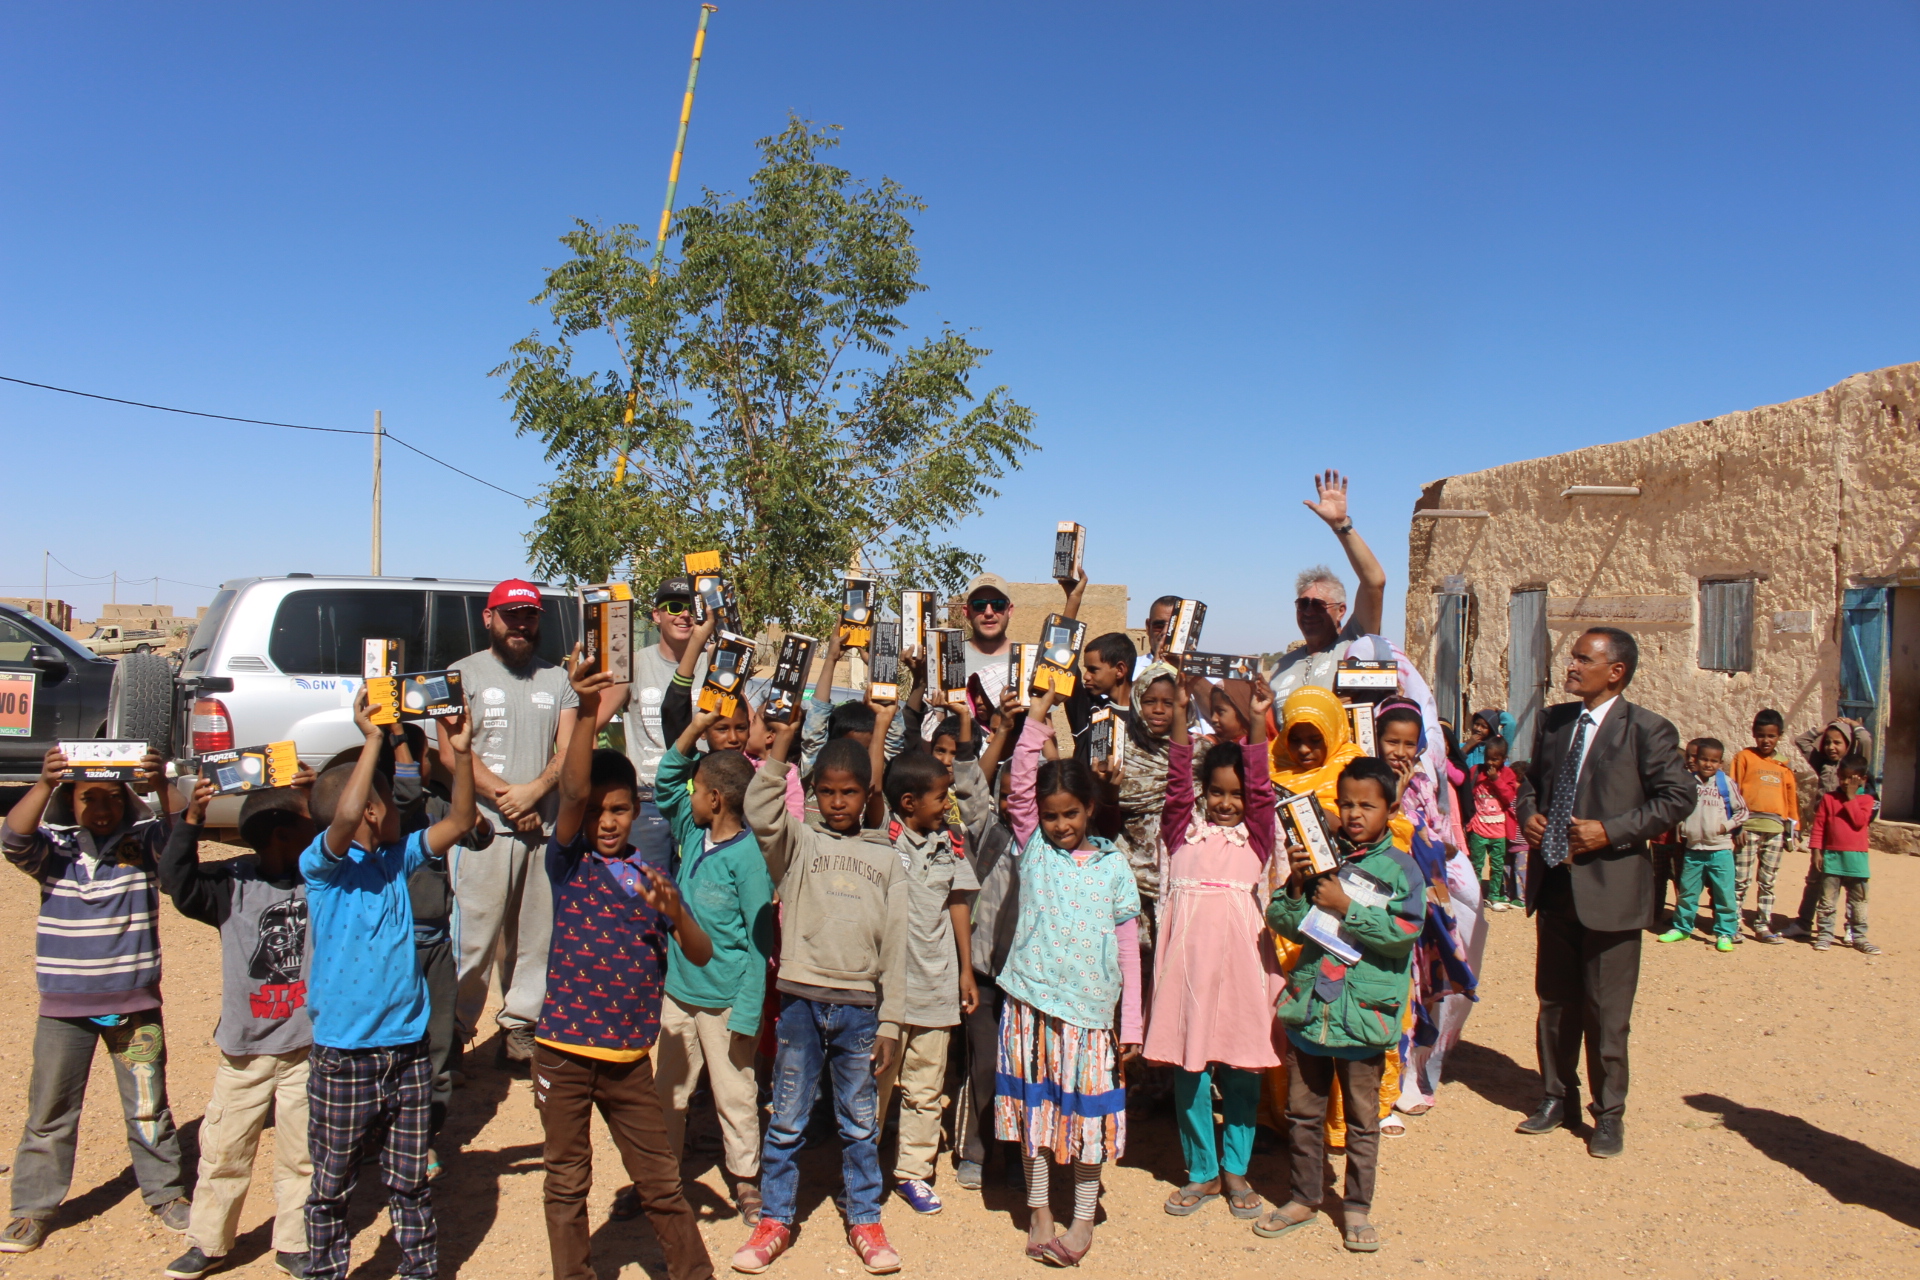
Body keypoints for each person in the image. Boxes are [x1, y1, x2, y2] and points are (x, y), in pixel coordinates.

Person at [534, 651, 716, 1280]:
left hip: (628, 1060)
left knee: (661, 1184)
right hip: (560, 1049)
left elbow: (699, 952)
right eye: (596, 812)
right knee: (567, 1183)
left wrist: (679, 913)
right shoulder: (569, 864)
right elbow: (575, 787)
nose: (605, 821)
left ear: (636, 814)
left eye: (618, 810)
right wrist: (587, 710)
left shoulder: (652, 879)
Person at [301, 687, 478, 1280]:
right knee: (331, 1183)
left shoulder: (397, 859)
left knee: (410, 1181)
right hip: (344, 1056)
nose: (403, 809)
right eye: (389, 803)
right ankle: (327, 1268)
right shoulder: (321, 869)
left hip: (404, 1051)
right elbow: (346, 818)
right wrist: (375, 736)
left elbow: (459, 820)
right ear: (375, 811)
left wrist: (462, 751)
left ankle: (420, 1268)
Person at [732, 718, 908, 1276]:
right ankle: (776, 1218)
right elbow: (760, 811)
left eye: (848, 792)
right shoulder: (798, 844)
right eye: (826, 791)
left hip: (861, 1010)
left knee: (859, 1121)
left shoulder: (886, 859)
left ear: (867, 794)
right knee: (786, 1117)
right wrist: (781, 746)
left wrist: (892, 1023)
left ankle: (864, 1219)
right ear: (813, 792)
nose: (837, 802)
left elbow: (897, 950)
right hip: (801, 1003)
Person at [0, 746, 191, 1255]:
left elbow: (182, 838)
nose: (101, 807)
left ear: (127, 801)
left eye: (112, 796)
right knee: (50, 1110)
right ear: (70, 802)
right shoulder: (53, 851)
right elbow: (14, 837)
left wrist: (157, 789)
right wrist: (43, 782)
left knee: (148, 1105)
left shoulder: (143, 843)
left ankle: (166, 1193)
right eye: (88, 798)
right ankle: (32, 1207)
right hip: (64, 1008)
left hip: (134, 1007)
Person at [1514, 627, 1694, 1159]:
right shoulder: (1553, 722)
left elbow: (1677, 796)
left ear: (1614, 671)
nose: (1570, 666)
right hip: (1556, 885)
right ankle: (1555, 1097)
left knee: (1606, 1010)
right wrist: (1528, 815)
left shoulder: (1648, 730)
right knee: (1555, 1003)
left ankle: (1608, 1113)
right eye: (1572, 657)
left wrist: (1610, 831)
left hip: (1612, 891)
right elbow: (1531, 784)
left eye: (1581, 658)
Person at [996, 690, 1142, 1268]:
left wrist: (1130, 1020)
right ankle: (1039, 1210)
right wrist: (1036, 718)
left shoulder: (1113, 866)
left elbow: (1129, 951)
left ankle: (1082, 1218)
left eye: (1070, 813)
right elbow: (1023, 780)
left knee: (1087, 1122)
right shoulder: (1032, 848)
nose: (1059, 824)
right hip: (1029, 1005)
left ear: (1089, 810)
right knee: (1035, 1114)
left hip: (1089, 1017)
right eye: (1050, 815)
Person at [1260, 757, 1424, 1253]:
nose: (1354, 814)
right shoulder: (1322, 858)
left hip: (1362, 1017)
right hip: (1312, 1011)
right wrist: (1295, 886)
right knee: (1303, 1113)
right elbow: (1285, 923)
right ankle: (1304, 1197)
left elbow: (1404, 932)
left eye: (1366, 805)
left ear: (1389, 809)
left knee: (1361, 1120)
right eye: (1346, 803)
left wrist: (1346, 907)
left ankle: (1356, 1208)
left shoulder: (1401, 869)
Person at [159, 772, 318, 1280]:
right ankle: (209, 1242)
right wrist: (190, 820)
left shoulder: (318, 876)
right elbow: (176, 881)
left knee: (303, 1152)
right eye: (303, 827)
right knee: (225, 1149)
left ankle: (293, 1241)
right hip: (245, 1049)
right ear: (279, 836)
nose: (314, 835)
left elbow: (347, 836)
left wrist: (312, 797)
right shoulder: (231, 883)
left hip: (304, 1046)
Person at [1147, 678, 1281, 1221]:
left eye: (1236, 794)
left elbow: (1264, 789)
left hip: (1244, 968)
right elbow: (1178, 782)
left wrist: (1257, 723)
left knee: (1245, 1068)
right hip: (1188, 974)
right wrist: (1180, 715)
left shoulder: (1257, 838)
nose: (1227, 803)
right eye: (1217, 793)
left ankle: (1236, 1168)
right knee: (1190, 1071)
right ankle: (1201, 1170)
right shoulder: (1183, 833)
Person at [444, 578, 581, 1070]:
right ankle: (453, 1033)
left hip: (542, 829)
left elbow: (567, 749)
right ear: (489, 618)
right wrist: (506, 798)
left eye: (529, 616)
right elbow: (449, 751)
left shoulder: (558, 680)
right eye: (511, 615)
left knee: (535, 936)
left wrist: (534, 792)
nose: (520, 625)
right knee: (473, 937)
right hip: (481, 831)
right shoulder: (462, 674)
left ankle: (521, 1024)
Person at [651, 702, 775, 1227]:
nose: (689, 797)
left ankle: (745, 1180)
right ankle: (658, 1177)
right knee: (668, 1094)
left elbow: (759, 942)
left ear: (716, 799)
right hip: (679, 991)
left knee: (735, 1096)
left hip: (726, 1002)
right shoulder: (689, 827)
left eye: (698, 791)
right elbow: (665, 780)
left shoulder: (749, 859)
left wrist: (747, 1014)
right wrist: (698, 727)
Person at [876, 749, 979, 1215]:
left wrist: (964, 969)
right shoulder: (883, 840)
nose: (947, 803)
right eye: (940, 796)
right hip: (888, 992)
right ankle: (862, 1166)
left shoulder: (950, 842)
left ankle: (912, 1172)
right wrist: (883, 723)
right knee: (874, 1083)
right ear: (908, 802)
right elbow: (875, 787)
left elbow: (958, 902)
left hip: (936, 986)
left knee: (925, 1086)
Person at [950, 694, 1021, 1193]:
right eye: (1011, 783)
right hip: (983, 974)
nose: (1019, 793)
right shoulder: (987, 831)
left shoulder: (1048, 846)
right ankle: (975, 1150)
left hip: (1029, 979)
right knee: (983, 1064)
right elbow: (967, 782)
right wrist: (979, 729)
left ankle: (1019, 1158)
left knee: (1021, 1068)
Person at [608, 575, 706, 868]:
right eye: (674, 607)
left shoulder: (714, 662)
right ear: (656, 615)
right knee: (645, 899)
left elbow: (744, 729)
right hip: (648, 798)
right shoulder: (634, 663)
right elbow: (592, 721)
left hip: (700, 800)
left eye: (691, 607)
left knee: (695, 902)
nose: (684, 614)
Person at [1267, 470, 1387, 706]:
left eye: (1319, 605)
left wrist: (1341, 525)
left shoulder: (1353, 645)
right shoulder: (1282, 667)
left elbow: (1374, 581)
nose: (1309, 612)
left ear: (1341, 610)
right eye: (1303, 604)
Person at [1782, 716, 1874, 940]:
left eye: (1838, 742)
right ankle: (1804, 922)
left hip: (1848, 835)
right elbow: (1801, 741)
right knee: (1815, 879)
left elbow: (1867, 740)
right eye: (1828, 742)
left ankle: (1852, 927)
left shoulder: (1857, 765)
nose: (1831, 747)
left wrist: (1853, 725)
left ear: (1849, 745)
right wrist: (1823, 728)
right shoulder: (1823, 763)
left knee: (1853, 884)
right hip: (1825, 833)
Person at [1658, 739, 1748, 953]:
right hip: (1694, 850)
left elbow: (1742, 811)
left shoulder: (1726, 783)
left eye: (1714, 761)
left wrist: (1726, 826)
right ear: (1696, 761)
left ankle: (1725, 932)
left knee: (1724, 893)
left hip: (1720, 849)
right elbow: (1679, 808)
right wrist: (1683, 829)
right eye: (1704, 759)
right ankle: (1682, 927)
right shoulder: (1688, 783)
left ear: (1721, 763)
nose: (1708, 764)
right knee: (1687, 891)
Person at [1728, 709, 1798, 943]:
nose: (1765, 741)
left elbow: (1791, 800)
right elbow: (1733, 790)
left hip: (1775, 830)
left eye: (1771, 736)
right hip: (1747, 827)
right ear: (1753, 734)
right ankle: (1733, 923)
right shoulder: (1744, 758)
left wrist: (1792, 830)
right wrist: (1735, 826)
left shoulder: (1783, 767)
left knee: (1768, 880)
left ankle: (1762, 924)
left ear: (1780, 736)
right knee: (1740, 878)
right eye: (1761, 735)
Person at [1808, 756, 1879, 954]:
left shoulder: (1867, 800)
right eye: (1843, 778)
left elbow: (1859, 822)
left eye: (1851, 778)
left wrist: (1850, 797)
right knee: (1828, 900)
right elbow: (1819, 827)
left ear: (1863, 779)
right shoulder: (1829, 799)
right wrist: (1816, 851)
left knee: (1858, 901)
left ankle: (1859, 936)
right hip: (1832, 858)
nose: (1846, 783)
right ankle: (1825, 934)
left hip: (1857, 861)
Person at [961, 572, 1016, 679]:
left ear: (1010, 611)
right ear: (967, 612)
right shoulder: (949, 658)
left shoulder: (1028, 659)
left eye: (998, 604)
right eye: (979, 605)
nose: (989, 612)